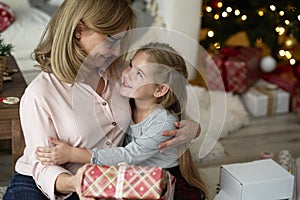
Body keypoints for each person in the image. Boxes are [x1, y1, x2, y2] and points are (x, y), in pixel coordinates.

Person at [3, 0, 200, 200]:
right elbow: (43, 167)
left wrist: (191, 127)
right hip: (45, 182)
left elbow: (156, 100)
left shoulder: (120, 72)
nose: (117, 51)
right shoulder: (40, 93)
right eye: (111, 41)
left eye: (121, 41)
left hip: (103, 179)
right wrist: (75, 182)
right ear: (79, 30)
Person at [36, 42, 208, 200]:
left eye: (139, 73)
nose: (126, 74)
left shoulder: (163, 123)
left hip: (164, 181)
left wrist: (73, 154)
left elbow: (128, 155)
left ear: (160, 89)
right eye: (131, 65)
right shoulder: (127, 101)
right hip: (136, 178)